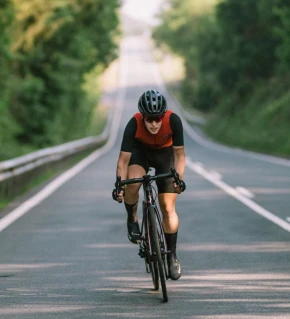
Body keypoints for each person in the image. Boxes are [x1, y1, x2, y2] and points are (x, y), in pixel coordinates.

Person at [112, 89, 186, 280]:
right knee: (133, 184)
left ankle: (172, 256)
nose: (154, 123)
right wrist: (120, 186)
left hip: (165, 154)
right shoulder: (134, 123)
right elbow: (123, 161)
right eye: (150, 119)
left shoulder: (173, 121)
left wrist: (178, 179)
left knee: (168, 207)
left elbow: (179, 156)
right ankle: (132, 218)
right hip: (141, 152)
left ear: (163, 116)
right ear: (143, 116)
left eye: (158, 119)